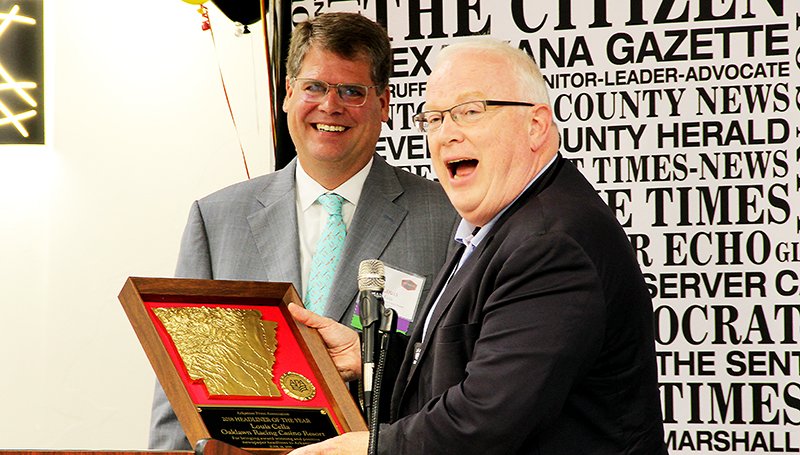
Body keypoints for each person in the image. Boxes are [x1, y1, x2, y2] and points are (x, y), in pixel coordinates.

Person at [287, 37, 668, 454]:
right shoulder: (492, 224)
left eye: (470, 111)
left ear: (536, 126)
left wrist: (369, 449)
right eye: (433, 118)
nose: (447, 134)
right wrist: (372, 358)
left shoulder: (550, 243)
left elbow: (485, 419)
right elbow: (478, 363)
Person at [147, 12, 458, 450]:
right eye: (314, 87)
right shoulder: (217, 219)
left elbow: (461, 375)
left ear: (384, 104)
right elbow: (178, 385)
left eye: (352, 91)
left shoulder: (447, 218)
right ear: (289, 94)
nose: (330, 106)